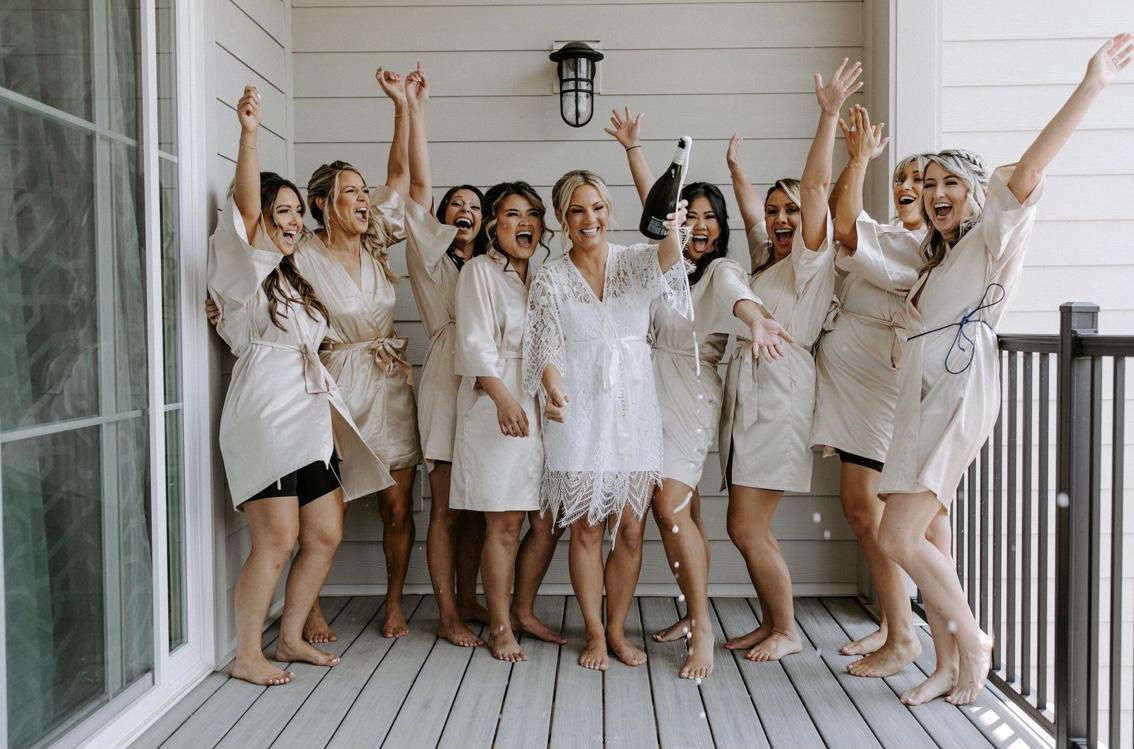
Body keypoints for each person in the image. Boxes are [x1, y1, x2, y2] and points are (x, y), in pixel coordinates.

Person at [876, 34, 1131, 706]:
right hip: (922, 394)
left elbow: (1030, 168)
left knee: (895, 534)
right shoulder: (937, 261)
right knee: (929, 531)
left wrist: (1091, 86)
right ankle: (947, 662)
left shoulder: (993, 233)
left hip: (958, 389)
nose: (935, 193)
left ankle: (972, 637)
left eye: (950, 183)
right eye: (928, 184)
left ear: (974, 192)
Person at [208, 86, 392, 685]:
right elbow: (243, 207)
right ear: (258, 222)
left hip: (311, 417)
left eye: (295, 213)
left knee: (326, 531)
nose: (292, 222)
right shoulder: (243, 273)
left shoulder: (293, 279)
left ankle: (288, 638)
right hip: (266, 414)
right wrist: (250, 135)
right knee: (277, 538)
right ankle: (247, 653)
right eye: (280, 212)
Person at [605, 109, 794, 679]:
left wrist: (757, 320)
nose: (700, 225)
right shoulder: (662, 266)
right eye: (691, 215)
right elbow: (660, 202)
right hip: (643, 390)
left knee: (669, 506)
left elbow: (738, 294)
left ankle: (703, 627)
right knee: (676, 511)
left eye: (711, 217)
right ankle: (691, 612)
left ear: (722, 228)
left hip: (690, 391)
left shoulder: (720, 271)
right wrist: (633, 151)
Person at [719, 60, 858, 662]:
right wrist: (736, 173)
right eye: (776, 211)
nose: (780, 219)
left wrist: (827, 116)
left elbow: (815, 189)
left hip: (780, 393)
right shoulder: (766, 260)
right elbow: (752, 214)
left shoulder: (809, 261)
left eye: (791, 212)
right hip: (751, 394)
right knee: (743, 526)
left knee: (747, 526)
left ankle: (786, 629)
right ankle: (773, 621)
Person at [523, 169, 687, 671]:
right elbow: (546, 344)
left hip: (633, 407)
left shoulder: (634, 261)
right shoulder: (550, 278)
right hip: (578, 409)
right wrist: (552, 388)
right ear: (562, 218)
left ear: (608, 212)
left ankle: (617, 628)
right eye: (576, 210)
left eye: (596, 207)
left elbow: (670, 254)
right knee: (587, 528)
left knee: (632, 529)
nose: (588, 218)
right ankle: (594, 633)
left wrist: (672, 222)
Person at [293, 65, 418, 641]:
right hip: (336, 383)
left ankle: (393, 603)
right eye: (352, 192)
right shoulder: (300, 254)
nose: (365, 198)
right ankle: (312, 605)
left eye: (365, 192)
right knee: (327, 507)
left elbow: (401, 175)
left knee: (398, 506)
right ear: (322, 204)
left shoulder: (375, 241)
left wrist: (401, 106)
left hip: (389, 380)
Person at [811, 103, 930, 677]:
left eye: (921, 180)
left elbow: (844, 228)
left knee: (868, 509)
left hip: (881, 386)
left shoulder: (923, 247)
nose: (908, 186)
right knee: (863, 509)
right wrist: (854, 160)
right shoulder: (888, 235)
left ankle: (904, 636)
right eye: (902, 177)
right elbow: (841, 213)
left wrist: (859, 159)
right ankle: (891, 620)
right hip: (852, 388)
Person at [451, 181, 564, 661]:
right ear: (494, 225)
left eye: (532, 214)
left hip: (543, 406)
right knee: (505, 522)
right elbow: (475, 344)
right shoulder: (479, 272)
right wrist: (502, 399)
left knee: (548, 520)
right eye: (513, 214)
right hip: (497, 401)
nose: (525, 223)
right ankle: (500, 627)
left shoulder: (544, 277)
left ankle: (523, 610)